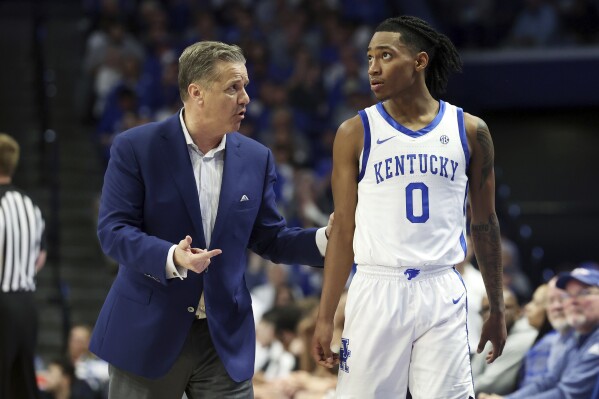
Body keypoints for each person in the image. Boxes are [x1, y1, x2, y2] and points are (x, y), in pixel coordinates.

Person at [89, 41, 332, 398]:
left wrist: (329, 239)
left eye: (245, 86)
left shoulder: (256, 157)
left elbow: (270, 238)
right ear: (196, 93)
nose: (246, 98)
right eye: (233, 87)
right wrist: (172, 256)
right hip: (149, 331)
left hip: (223, 338)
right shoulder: (136, 148)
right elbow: (113, 231)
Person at [311, 15, 507, 398]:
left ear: (419, 61)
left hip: (442, 287)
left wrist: (497, 309)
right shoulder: (354, 132)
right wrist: (325, 316)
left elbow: (485, 224)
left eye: (385, 56)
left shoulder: (470, 131)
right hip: (376, 285)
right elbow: (343, 231)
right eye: (369, 58)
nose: (373, 67)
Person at [479, 266, 599, 399]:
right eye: (568, 295)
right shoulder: (574, 338)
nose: (573, 301)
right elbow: (549, 381)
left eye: (584, 293)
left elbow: (567, 394)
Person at [0, 133, 47, 399]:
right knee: (23, 384)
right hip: (27, 306)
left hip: (2, 303)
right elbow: (40, 257)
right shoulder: (30, 205)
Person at [471, 289, 537, 395]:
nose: (492, 314)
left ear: (518, 312)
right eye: (486, 309)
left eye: (502, 307)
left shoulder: (524, 337)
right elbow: (472, 374)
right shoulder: (493, 334)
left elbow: (488, 385)